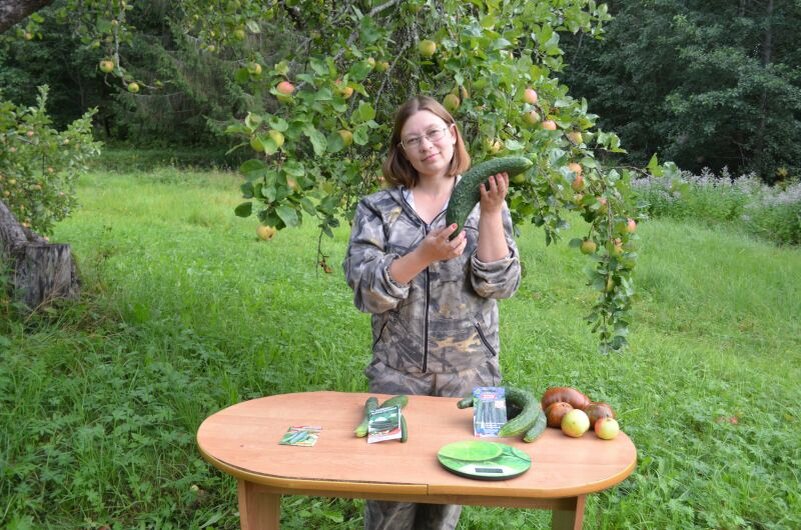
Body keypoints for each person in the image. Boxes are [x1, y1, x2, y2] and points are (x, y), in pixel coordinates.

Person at [342, 95, 522, 530]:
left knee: (445, 503)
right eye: (412, 139)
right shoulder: (377, 209)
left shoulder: (485, 203)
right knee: (388, 500)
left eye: (434, 132)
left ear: (452, 133)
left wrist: (493, 212)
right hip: (394, 376)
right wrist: (422, 254)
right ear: (401, 151)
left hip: (472, 378)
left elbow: (501, 285)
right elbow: (366, 292)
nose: (426, 145)